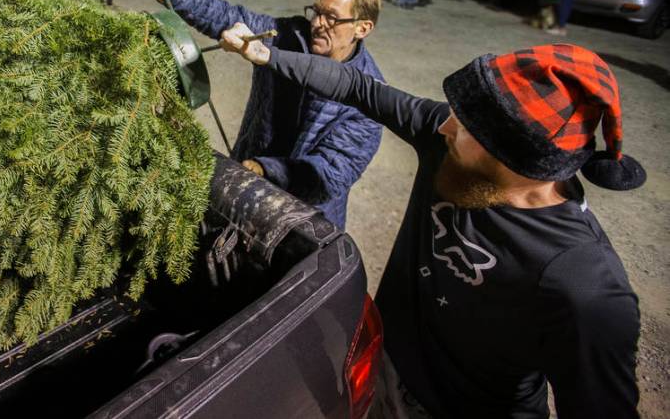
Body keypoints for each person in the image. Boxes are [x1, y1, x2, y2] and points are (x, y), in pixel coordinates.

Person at [218, 31, 644, 419]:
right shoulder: (447, 137)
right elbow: (357, 87)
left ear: (518, 158)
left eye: (468, 125)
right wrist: (266, 54)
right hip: (380, 366)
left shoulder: (584, 286)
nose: (447, 124)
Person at [145, 0, 384, 229]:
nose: (317, 24)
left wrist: (264, 169)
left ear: (363, 27)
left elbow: (329, 175)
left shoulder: (369, 98)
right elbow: (230, 17)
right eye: (316, 12)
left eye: (332, 18)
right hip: (244, 184)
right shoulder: (288, 35)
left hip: (298, 222)